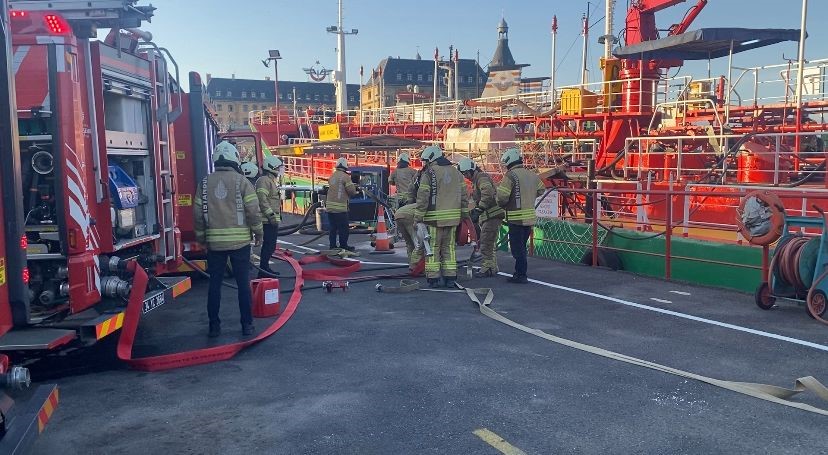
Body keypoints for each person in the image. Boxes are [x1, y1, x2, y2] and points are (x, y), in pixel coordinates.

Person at [194, 141, 263, 337]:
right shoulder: (242, 182)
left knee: (214, 285)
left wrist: (201, 238)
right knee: (243, 285)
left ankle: (214, 327)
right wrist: (259, 233)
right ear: (235, 159)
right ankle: (247, 325)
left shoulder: (205, 183)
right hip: (240, 244)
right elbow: (253, 212)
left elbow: (198, 215)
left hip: (214, 245)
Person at [414, 146, 469, 288]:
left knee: (432, 247)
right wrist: (464, 214)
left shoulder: (430, 173)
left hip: (433, 220)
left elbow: (423, 197)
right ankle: (450, 277)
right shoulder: (457, 173)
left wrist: (418, 217)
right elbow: (464, 196)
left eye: (425, 161)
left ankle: (433, 278)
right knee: (449, 248)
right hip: (453, 219)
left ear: (431, 158)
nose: (424, 164)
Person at [496, 147, 546, 284]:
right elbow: (542, 189)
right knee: (522, 247)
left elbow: (502, 197)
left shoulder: (510, 176)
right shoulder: (531, 175)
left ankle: (521, 275)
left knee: (517, 250)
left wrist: (501, 204)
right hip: (529, 218)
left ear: (509, 162)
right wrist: (529, 197)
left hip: (516, 219)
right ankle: (520, 273)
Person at [458, 157, 504, 278]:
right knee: (489, 242)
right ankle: (492, 267)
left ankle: (487, 268)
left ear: (472, 170)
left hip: (492, 215)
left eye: (466, 173)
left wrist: (479, 209)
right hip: (489, 215)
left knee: (486, 243)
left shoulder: (481, 178)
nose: (466, 176)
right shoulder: (477, 179)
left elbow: (487, 193)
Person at [255, 155, 284, 278]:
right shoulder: (264, 181)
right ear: (271, 167)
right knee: (268, 245)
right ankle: (263, 271)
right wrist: (271, 215)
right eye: (278, 168)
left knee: (270, 245)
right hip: (267, 220)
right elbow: (262, 200)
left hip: (270, 219)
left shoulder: (270, 181)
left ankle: (265, 268)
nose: (280, 170)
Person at [326, 157, 359, 251]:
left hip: (329, 207)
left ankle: (332, 246)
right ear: (345, 166)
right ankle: (343, 246)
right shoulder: (345, 177)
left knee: (333, 228)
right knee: (343, 229)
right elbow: (351, 191)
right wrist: (356, 189)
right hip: (340, 208)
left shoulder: (332, 175)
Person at [393, 202, 422, 271]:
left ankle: (411, 263)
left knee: (409, 243)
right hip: (408, 216)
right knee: (418, 243)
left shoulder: (415, 205)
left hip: (398, 215)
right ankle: (414, 265)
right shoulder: (425, 206)